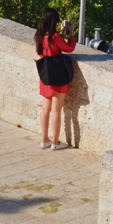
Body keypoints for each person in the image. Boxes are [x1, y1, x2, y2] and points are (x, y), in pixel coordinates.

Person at [35, 8, 77, 150]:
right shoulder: (55, 37)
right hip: (58, 75)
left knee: (45, 109)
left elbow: (47, 50)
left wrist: (62, 33)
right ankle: (56, 142)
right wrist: (71, 34)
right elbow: (68, 48)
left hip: (45, 75)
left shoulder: (38, 36)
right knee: (57, 110)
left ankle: (44, 139)